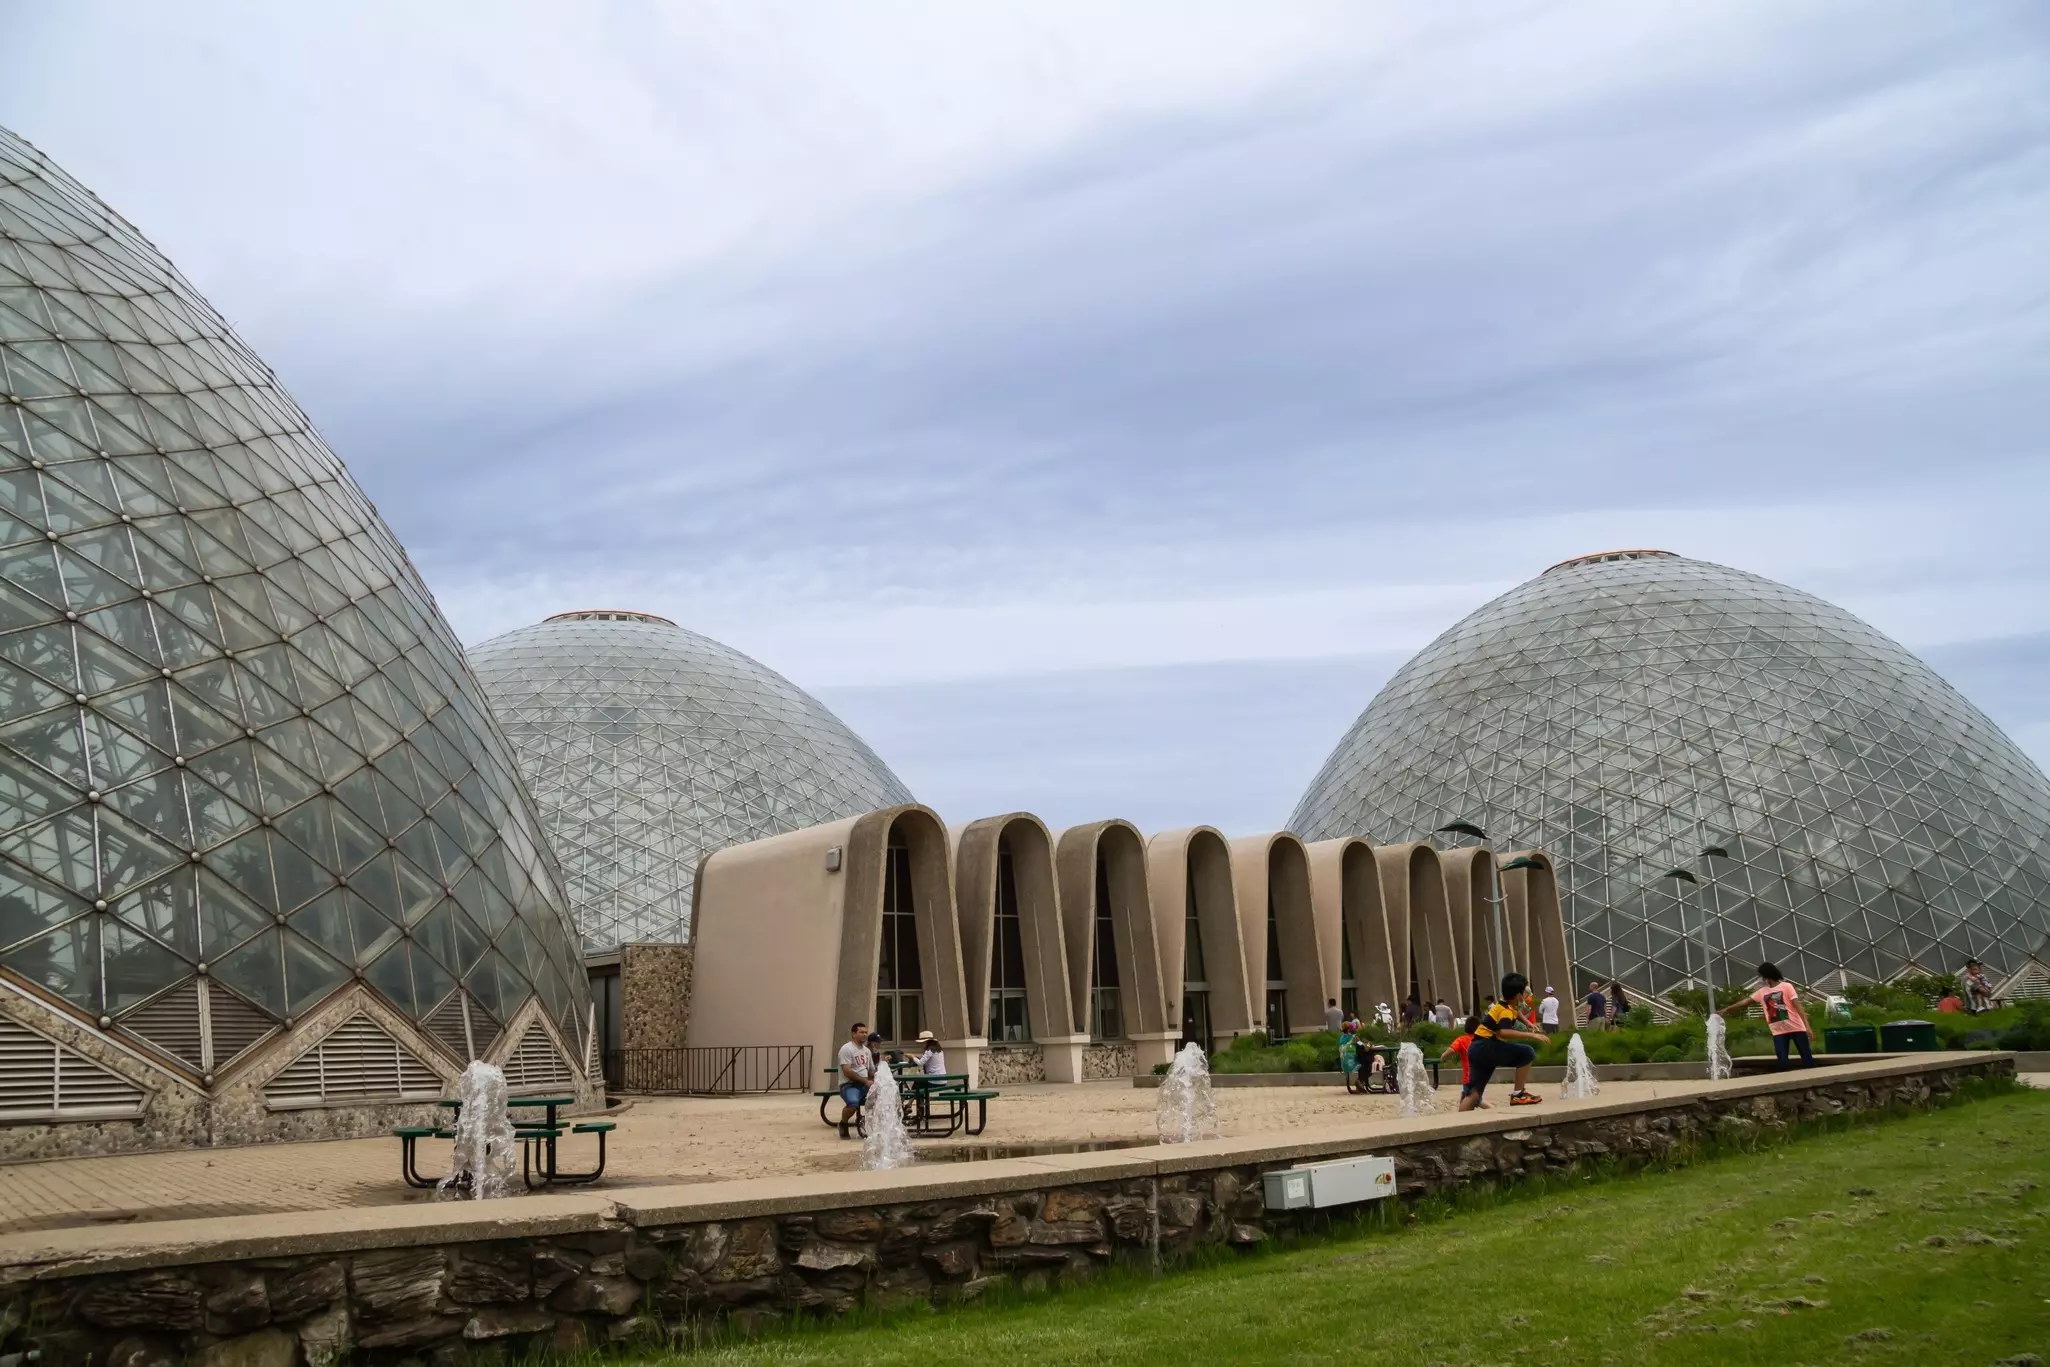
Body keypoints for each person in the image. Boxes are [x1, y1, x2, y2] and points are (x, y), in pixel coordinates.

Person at [1462, 974, 1548, 1110]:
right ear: (1518, 996)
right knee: (1526, 1053)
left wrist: (1527, 1022)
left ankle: (1460, 1122)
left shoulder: (1506, 1003)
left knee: (1475, 1092)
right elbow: (1503, 1032)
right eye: (1525, 993)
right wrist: (1531, 1036)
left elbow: (1516, 1012)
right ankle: (1518, 1094)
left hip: (1477, 1047)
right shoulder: (1506, 1011)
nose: (1527, 996)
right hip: (1487, 1046)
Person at [1719, 962, 1812, 1070]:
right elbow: (1744, 1002)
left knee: (1807, 1058)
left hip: (1796, 1027)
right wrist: (1726, 1010)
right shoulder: (1762, 992)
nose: (1761, 979)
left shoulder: (1786, 986)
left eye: (1762, 976)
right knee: (1782, 1062)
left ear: (1767, 975)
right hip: (1779, 1031)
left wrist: (1807, 1027)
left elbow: (1798, 1007)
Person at [835, 1021, 874, 1140]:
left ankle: (874, 1127)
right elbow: (847, 1071)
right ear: (853, 1034)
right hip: (849, 1085)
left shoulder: (867, 1051)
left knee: (883, 1097)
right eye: (861, 1032)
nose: (864, 1035)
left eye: (866, 1032)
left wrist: (879, 1078)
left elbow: (871, 1070)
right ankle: (843, 1123)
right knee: (852, 1105)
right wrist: (865, 1081)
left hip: (865, 1084)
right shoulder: (846, 1049)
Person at [1439, 1014, 1485, 1108]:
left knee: (1475, 1100)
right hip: (1480, 1076)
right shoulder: (1482, 1040)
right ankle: (1463, 1115)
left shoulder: (1462, 1040)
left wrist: (1443, 1056)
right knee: (1466, 1097)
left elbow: (1452, 1049)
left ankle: (1492, 1109)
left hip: (1469, 1077)